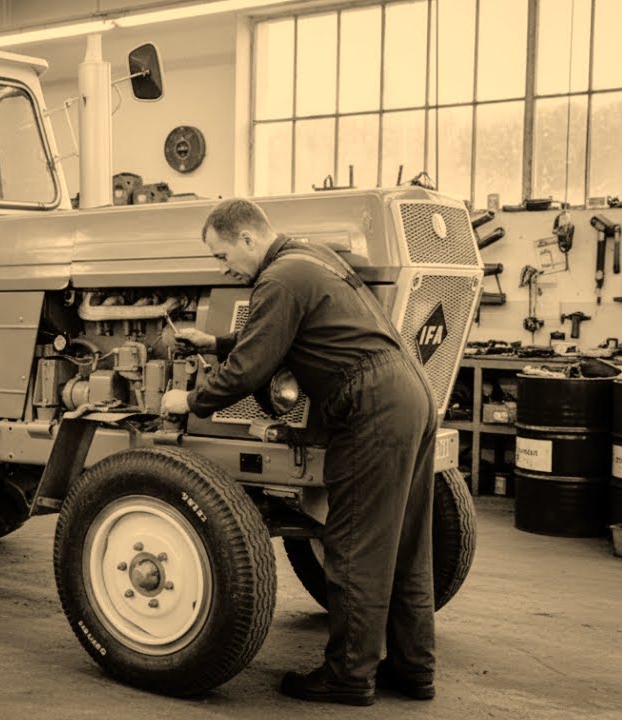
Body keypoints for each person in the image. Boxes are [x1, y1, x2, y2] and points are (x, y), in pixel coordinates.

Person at [161, 198, 439, 706]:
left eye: (223, 256)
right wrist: (216, 342)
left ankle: (349, 677)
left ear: (247, 238)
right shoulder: (311, 258)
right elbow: (285, 334)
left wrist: (191, 400)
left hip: (372, 406)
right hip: (410, 393)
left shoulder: (278, 278)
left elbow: (252, 369)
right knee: (404, 544)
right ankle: (414, 669)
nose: (224, 269)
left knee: (355, 546)